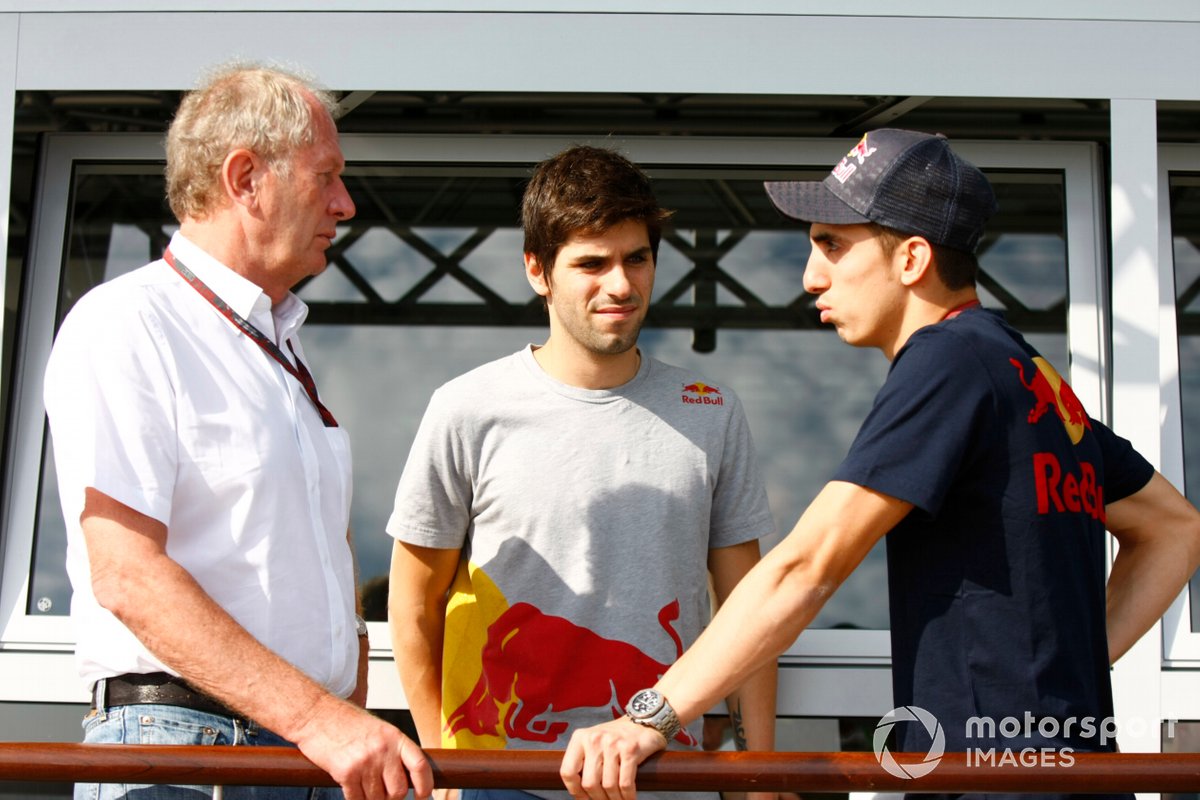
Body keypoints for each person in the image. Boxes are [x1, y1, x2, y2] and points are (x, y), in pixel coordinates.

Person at [559, 128, 1200, 800]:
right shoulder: (1021, 370)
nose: (811, 275)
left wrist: (649, 718)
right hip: (1060, 773)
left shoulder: (946, 362)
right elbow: (1173, 527)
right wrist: (1059, 687)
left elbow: (807, 566)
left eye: (832, 244)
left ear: (912, 258)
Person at [42, 62, 432, 800]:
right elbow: (127, 574)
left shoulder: (276, 346)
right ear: (245, 178)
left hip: (292, 756)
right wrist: (325, 719)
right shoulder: (129, 322)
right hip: (188, 753)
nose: (346, 206)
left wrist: (335, 720)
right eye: (327, 177)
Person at [386, 145, 778, 800]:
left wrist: (756, 771)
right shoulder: (468, 409)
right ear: (538, 271)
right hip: (502, 782)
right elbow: (413, 605)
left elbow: (747, 610)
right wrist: (442, 770)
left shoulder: (711, 414)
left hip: (665, 777)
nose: (620, 285)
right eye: (591, 264)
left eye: (637, 259)